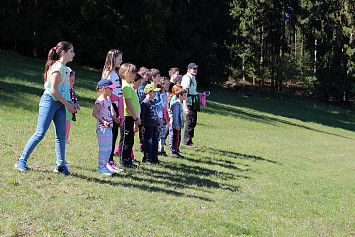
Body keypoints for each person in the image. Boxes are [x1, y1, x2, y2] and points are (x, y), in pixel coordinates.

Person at [14, 41, 76, 175]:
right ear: (63, 52)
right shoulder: (57, 67)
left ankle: (60, 165)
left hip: (60, 104)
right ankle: (21, 160)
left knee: (61, 135)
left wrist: (71, 102)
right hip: (49, 102)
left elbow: (64, 90)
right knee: (40, 133)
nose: (74, 54)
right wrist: (67, 104)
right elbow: (53, 90)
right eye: (71, 51)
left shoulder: (66, 69)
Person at [92, 79, 122, 175]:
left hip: (109, 127)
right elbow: (94, 113)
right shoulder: (100, 101)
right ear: (104, 89)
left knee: (109, 149)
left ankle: (105, 166)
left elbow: (106, 113)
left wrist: (113, 118)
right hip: (102, 128)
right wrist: (103, 121)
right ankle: (101, 167)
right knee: (104, 149)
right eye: (110, 89)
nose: (112, 91)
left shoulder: (108, 101)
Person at [101, 49, 123, 172]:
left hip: (117, 104)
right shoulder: (108, 73)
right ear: (113, 59)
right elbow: (107, 91)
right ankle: (107, 161)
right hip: (111, 105)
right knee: (111, 134)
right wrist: (111, 108)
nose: (121, 61)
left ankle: (110, 161)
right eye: (119, 59)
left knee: (115, 134)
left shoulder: (114, 73)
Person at [118, 63, 141, 168]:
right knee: (126, 139)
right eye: (132, 73)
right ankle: (124, 161)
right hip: (127, 117)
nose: (134, 74)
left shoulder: (128, 85)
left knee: (130, 139)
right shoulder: (126, 87)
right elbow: (128, 104)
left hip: (130, 117)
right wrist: (135, 117)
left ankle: (128, 159)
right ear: (125, 73)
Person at [140, 84, 162, 164]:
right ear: (149, 92)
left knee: (155, 143)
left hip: (153, 126)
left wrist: (157, 125)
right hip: (147, 126)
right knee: (148, 143)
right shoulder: (145, 103)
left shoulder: (152, 102)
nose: (156, 94)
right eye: (154, 92)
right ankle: (147, 159)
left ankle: (154, 159)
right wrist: (142, 126)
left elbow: (154, 115)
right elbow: (142, 116)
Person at [181, 63, 200, 147]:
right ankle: (186, 141)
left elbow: (193, 91)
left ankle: (190, 140)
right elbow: (185, 92)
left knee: (193, 122)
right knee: (190, 121)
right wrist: (185, 106)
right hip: (189, 103)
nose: (195, 70)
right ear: (189, 69)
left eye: (196, 69)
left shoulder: (193, 78)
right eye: (193, 69)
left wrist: (201, 94)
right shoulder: (187, 78)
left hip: (193, 102)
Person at [64, 69, 80, 166]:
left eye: (74, 80)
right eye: (71, 80)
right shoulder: (65, 91)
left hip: (69, 118)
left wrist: (76, 105)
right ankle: (61, 159)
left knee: (65, 138)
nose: (73, 82)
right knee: (63, 139)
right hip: (64, 117)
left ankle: (62, 158)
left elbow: (72, 101)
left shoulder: (71, 90)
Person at [168, 88, 187, 158]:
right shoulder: (177, 104)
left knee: (177, 137)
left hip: (178, 124)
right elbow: (175, 115)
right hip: (176, 125)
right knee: (175, 138)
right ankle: (174, 151)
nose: (185, 97)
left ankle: (176, 150)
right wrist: (176, 125)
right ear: (180, 96)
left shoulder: (179, 103)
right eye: (184, 95)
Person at [157, 77, 170, 156]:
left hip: (165, 115)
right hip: (160, 115)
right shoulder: (160, 94)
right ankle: (157, 149)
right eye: (165, 84)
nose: (167, 85)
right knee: (160, 132)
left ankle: (162, 149)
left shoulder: (165, 93)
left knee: (164, 132)